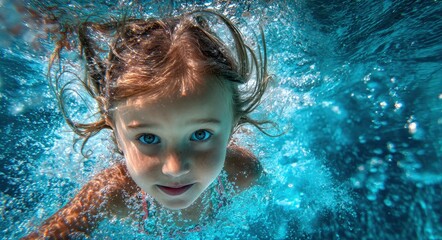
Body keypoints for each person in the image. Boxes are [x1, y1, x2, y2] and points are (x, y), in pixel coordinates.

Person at [23, 9, 271, 239]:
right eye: (148, 138)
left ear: (232, 128)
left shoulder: (244, 172)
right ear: (116, 132)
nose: (175, 168)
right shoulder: (113, 194)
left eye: (201, 134)